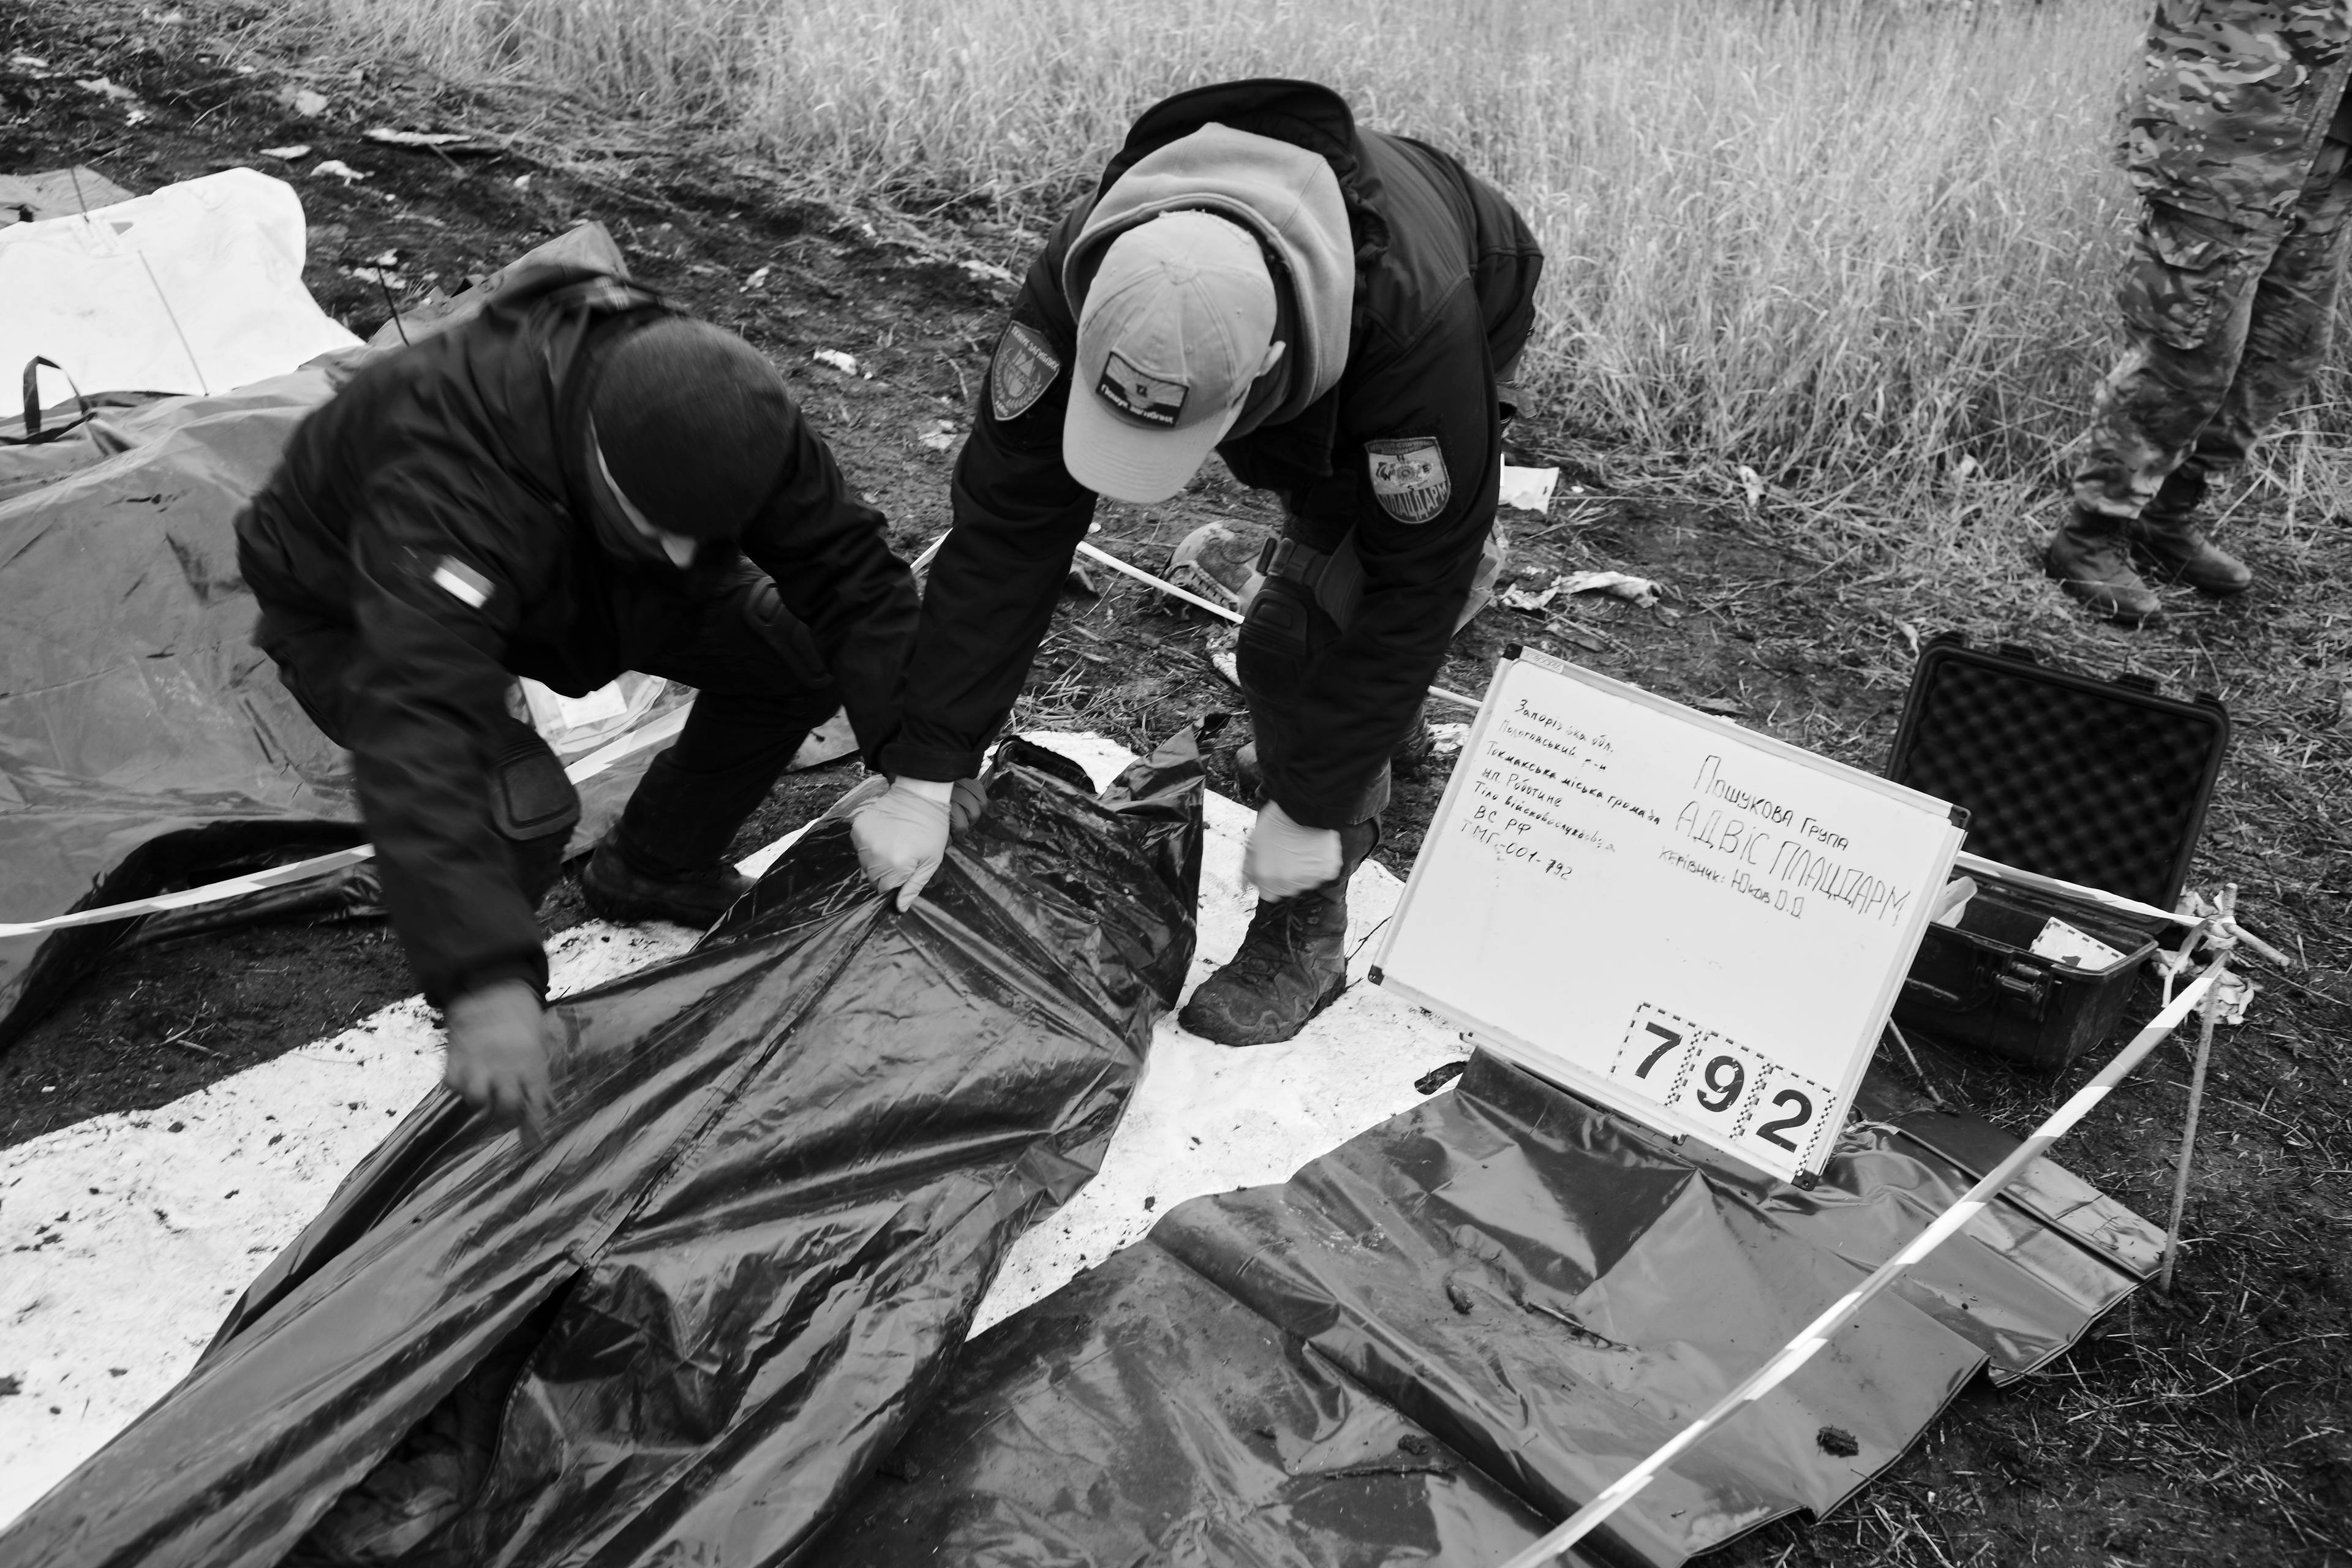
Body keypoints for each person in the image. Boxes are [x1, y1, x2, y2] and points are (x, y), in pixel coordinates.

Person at [852, 79, 1544, 1045]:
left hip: (1467, 273)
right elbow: (1008, 529)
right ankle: (1370, 731)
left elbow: (1415, 580)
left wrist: (1308, 807)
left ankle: (1307, 925)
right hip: (1295, 317)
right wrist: (927, 772)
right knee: (1320, 636)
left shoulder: (1416, 340)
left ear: (1265, 372)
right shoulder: (1091, 274)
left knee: (1301, 635)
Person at [236, 266, 918, 1131]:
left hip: (581, 562)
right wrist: (486, 979)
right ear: (600, 459)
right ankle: (479, 1007)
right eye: (661, 528)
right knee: (515, 801)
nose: (684, 557)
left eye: (702, 535)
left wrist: (923, 769)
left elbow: (853, 576)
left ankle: (653, 866)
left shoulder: (718, 412)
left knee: (794, 654)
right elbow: (419, 727)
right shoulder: (447, 477)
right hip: (354, 599)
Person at [2048, 1, 2352, 624]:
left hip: (2331, 138)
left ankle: (2167, 517)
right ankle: (2088, 536)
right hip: (2231, 126)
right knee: (2189, 354)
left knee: (2286, 348)